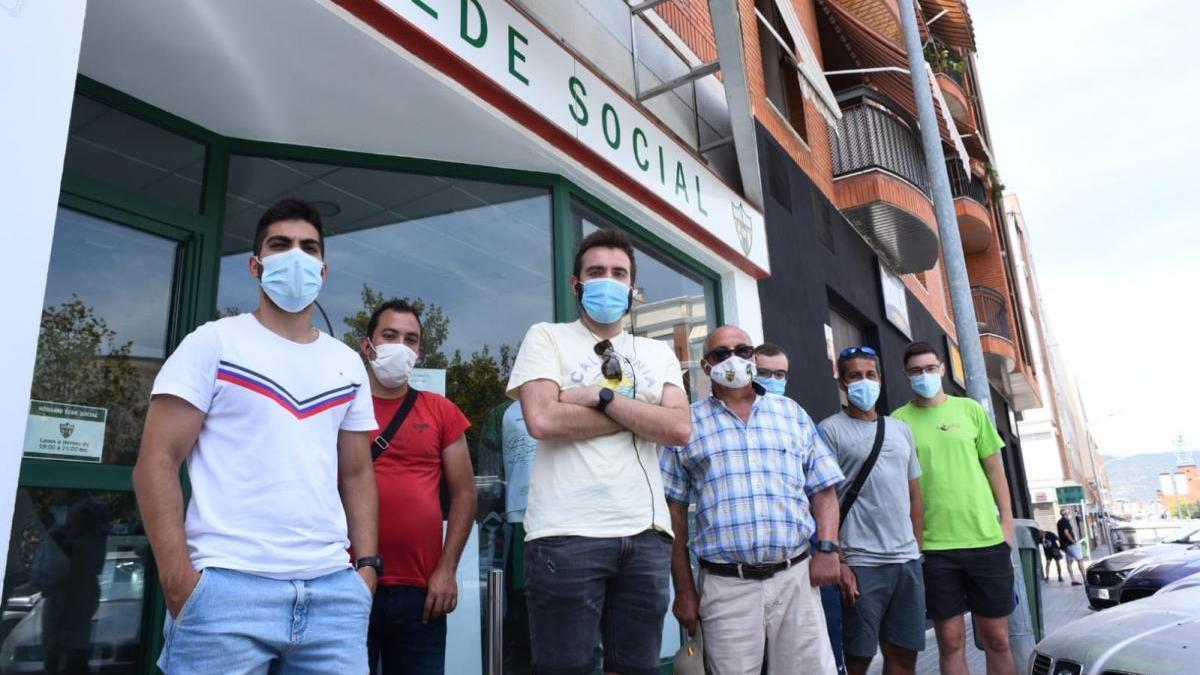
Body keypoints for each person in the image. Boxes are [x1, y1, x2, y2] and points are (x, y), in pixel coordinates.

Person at [133, 198, 380, 674]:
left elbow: (356, 473)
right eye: (280, 244)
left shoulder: (347, 363)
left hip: (333, 593)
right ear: (255, 264)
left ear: (323, 271)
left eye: (309, 248)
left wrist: (365, 571)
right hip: (226, 590)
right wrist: (179, 583)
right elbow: (156, 461)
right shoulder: (214, 342)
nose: (296, 257)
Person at [505, 228, 692, 675]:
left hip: (646, 538)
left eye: (619, 273)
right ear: (577, 285)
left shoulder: (656, 351)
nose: (608, 281)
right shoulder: (546, 338)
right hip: (566, 534)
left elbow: (680, 428)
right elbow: (543, 420)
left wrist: (600, 397)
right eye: (596, 272)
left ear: (632, 288)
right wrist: (643, 413)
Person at [661, 325, 844, 675]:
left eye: (742, 351)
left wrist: (827, 548)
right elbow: (675, 514)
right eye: (721, 354)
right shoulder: (686, 425)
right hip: (726, 586)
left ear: (753, 357)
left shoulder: (790, 413)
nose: (733, 359)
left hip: (795, 579)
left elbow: (823, 489)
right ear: (706, 366)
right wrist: (683, 590)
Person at [358, 299, 477, 674]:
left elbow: (464, 494)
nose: (400, 346)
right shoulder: (344, 406)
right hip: (349, 585)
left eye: (411, 339)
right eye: (389, 336)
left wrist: (447, 569)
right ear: (368, 345)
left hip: (421, 591)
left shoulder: (440, 410)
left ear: (419, 352)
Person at [892, 341, 1016, 675]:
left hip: (986, 541)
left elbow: (995, 470)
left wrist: (1007, 526)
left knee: (998, 639)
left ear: (942, 369)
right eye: (916, 370)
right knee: (950, 640)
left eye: (930, 368)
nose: (925, 375)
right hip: (934, 548)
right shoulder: (898, 421)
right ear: (906, 375)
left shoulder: (970, 410)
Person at [819, 346, 926, 675]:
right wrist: (840, 562)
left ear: (880, 379)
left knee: (904, 657)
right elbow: (823, 500)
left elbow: (914, 493)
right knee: (858, 659)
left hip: (906, 563)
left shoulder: (899, 429)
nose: (864, 382)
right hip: (861, 563)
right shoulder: (829, 430)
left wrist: (917, 550)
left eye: (870, 375)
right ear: (842, 382)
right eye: (855, 376)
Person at [754, 341, 846, 675]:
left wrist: (829, 549)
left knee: (818, 653)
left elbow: (824, 489)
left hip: (804, 560)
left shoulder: (795, 418)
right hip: (742, 576)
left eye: (780, 374)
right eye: (764, 373)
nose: (773, 380)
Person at [1056, 508, 1084, 585]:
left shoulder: (1059, 522)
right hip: (1070, 544)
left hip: (1065, 546)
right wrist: (1073, 541)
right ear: (1065, 514)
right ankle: (1085, 579)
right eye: (1068, 513)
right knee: (1080, 560)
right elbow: (1066, 533)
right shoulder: (1065, 521)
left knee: (1069, 562)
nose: (1069, 515)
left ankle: (1073, 580)